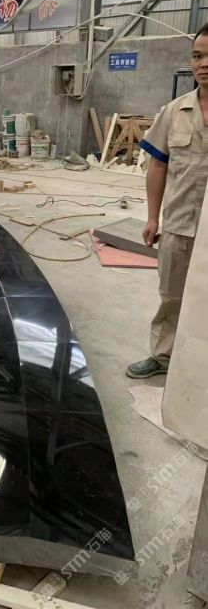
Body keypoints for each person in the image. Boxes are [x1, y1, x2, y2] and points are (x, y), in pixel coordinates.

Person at [127, 24, 208, 379]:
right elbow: (157, 166)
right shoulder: (174, 112)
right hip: (180, 223)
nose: (203, 63)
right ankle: (163, 357)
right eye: (197, 56)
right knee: (172, 295)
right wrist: (152, 218)